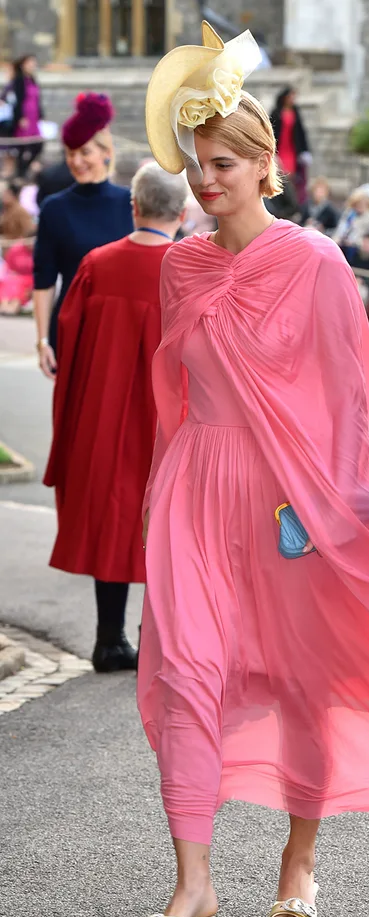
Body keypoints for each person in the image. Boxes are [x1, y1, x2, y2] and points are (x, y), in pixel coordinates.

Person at [134, 22, 369, 917]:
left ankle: (299, 863)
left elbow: (354, 400)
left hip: (291, 502)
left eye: (225, 163)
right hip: (198, 490)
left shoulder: (315, 262)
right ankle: (193, 883)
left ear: (263, 167)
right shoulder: (180, 265)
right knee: (193, 672)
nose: (205, 180)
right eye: (197, 163)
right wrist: (161, 493)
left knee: (302, 681)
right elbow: (176, 392)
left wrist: (348, 509)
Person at [43, 163, 187, 672]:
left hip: (103, 415)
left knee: (113, 515)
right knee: (171, 525)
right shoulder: (190, 270)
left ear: (133, 205)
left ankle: (109, 638)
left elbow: (67, 344)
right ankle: (157, 640)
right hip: (167, 420)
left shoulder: (96, 265)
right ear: (184, 211)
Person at [33, 93, 133, 378]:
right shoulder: (54, 208)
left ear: (105, 152)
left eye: (84, 152)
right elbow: (44, 280)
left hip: (122, 328)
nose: (76, 161)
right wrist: (42, 341)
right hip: (70, 326)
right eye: (70, 153)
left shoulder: (132, 204)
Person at [270, 86, 311, 204]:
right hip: (280, 148)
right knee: (281, 174)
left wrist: (305, 150)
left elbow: (301, 131)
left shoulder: (295, 111)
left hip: (292, 149)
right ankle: (281, 201)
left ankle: (292, 201)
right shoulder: (276, 111)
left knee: (292, 176)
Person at [4, 55, 44, 178]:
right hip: (24, 118)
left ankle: (24, 169)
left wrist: (41, 115)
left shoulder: (32, 79)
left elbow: (37, 100)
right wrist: (20, 117)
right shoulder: (19, 80)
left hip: (34, 117)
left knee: (37, 144)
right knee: (22, 146)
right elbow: (17, 100)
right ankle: (20, 172)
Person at [0, 181, 36, 314]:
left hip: (19, 249)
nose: (4, 197)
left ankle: (13, 306)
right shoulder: (7, 210)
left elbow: (29, 232)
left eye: (7, 194)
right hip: (10, 253)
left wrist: (21, 243)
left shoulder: (20, 212)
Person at [333, 189, 369, 265]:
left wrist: (355, 242)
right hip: (344, 243)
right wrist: (335, 240)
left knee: (351, 251)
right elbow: (340, 230)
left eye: (363, 203)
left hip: (361, 246)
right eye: (357, 204)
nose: (360, 206)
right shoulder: (349, 214)